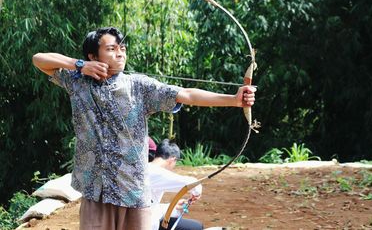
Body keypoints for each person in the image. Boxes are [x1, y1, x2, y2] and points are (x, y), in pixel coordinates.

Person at [32, 26, 256, 230]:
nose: (120, 53)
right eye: (111, 48)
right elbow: (39, 59)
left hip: (134, 191)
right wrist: (79, 65)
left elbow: (186, 94)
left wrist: (233, 99)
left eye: (122, 48)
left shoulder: (139, 86)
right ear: (93, 56)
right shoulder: (76, 81)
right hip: (96, 190)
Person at [148, 139, 202, 230]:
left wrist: (173, 207)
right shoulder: (155, 172)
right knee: (196, 227)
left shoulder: (148, 168)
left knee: (196, 226)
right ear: (172, 159)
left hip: (147, 219)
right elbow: (192, 184)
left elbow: (151, 205)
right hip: (146, 224)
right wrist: (197, 192)